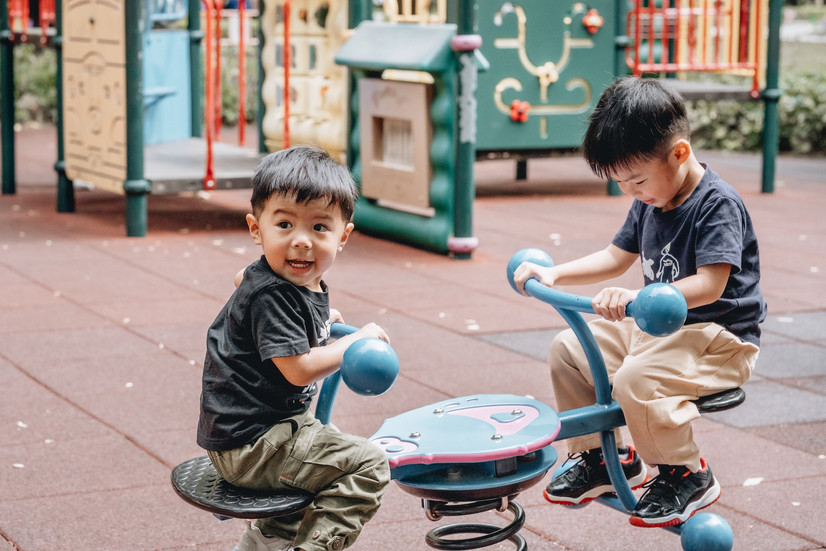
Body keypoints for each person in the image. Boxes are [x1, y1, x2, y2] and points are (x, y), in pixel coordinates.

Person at [513, 77, 766, 528]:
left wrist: (640, 296)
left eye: (637, 179)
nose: (632, 191)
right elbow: (615, 257)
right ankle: (604, 457)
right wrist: (555, 272)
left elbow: (710, 284)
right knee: (568, 350)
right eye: (620, 183)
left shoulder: (716, 204)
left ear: (679, 153)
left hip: (717, 338)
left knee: (637, 379)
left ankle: (686, 472)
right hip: (656, 328)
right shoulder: (653, 198)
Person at [197, 145, 391, 551]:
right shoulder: (273, 295)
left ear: (343, 237)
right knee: (369, 464)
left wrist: (319, 321)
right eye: (284, 225)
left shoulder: (286, 283)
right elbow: (299, 370)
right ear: (256, 229)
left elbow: (241, 279)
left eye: (319, 228)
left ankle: (268, 540)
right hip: (252, 446)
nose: (301, 242)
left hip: (260, 432)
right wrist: (357, 340)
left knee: (326, 447)